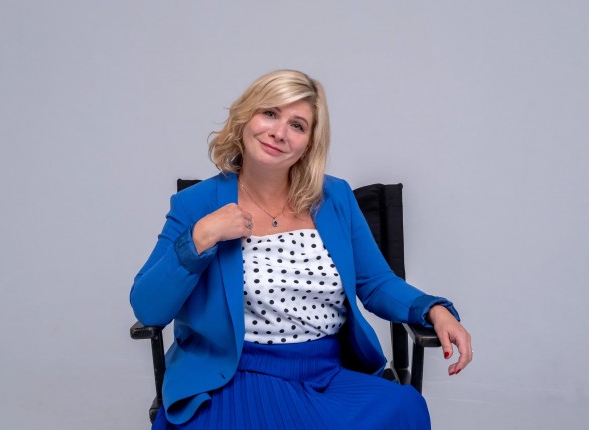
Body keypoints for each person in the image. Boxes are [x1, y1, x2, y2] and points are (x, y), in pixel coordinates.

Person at [130, 70, 472, 429]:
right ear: (245, 117)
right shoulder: (196, 204)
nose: (279, 132)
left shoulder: (335, 198)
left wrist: (432, 309)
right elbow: (148, 308)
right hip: (233, 376)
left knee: (405, 407)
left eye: (297, 125)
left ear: (308, 143)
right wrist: (199, 238)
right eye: (270, 113)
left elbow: (376, 283)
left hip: (326, 373)